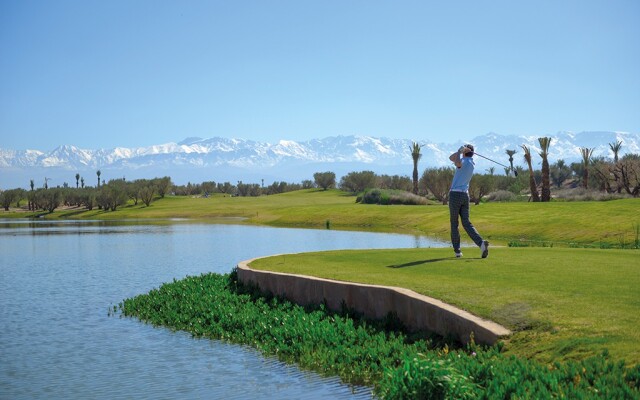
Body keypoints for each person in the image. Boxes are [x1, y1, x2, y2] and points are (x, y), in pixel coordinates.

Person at [448, 144, 489, 258]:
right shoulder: (471, 163)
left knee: (454, 224)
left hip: (455, 195)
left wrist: (459, 151)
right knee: (466, 223)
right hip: (465, 196)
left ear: (466, 152)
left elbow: (456, 162)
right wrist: (460, 151)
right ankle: (481, 244)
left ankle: (457, 251)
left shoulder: (464, 162)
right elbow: (451, 158)